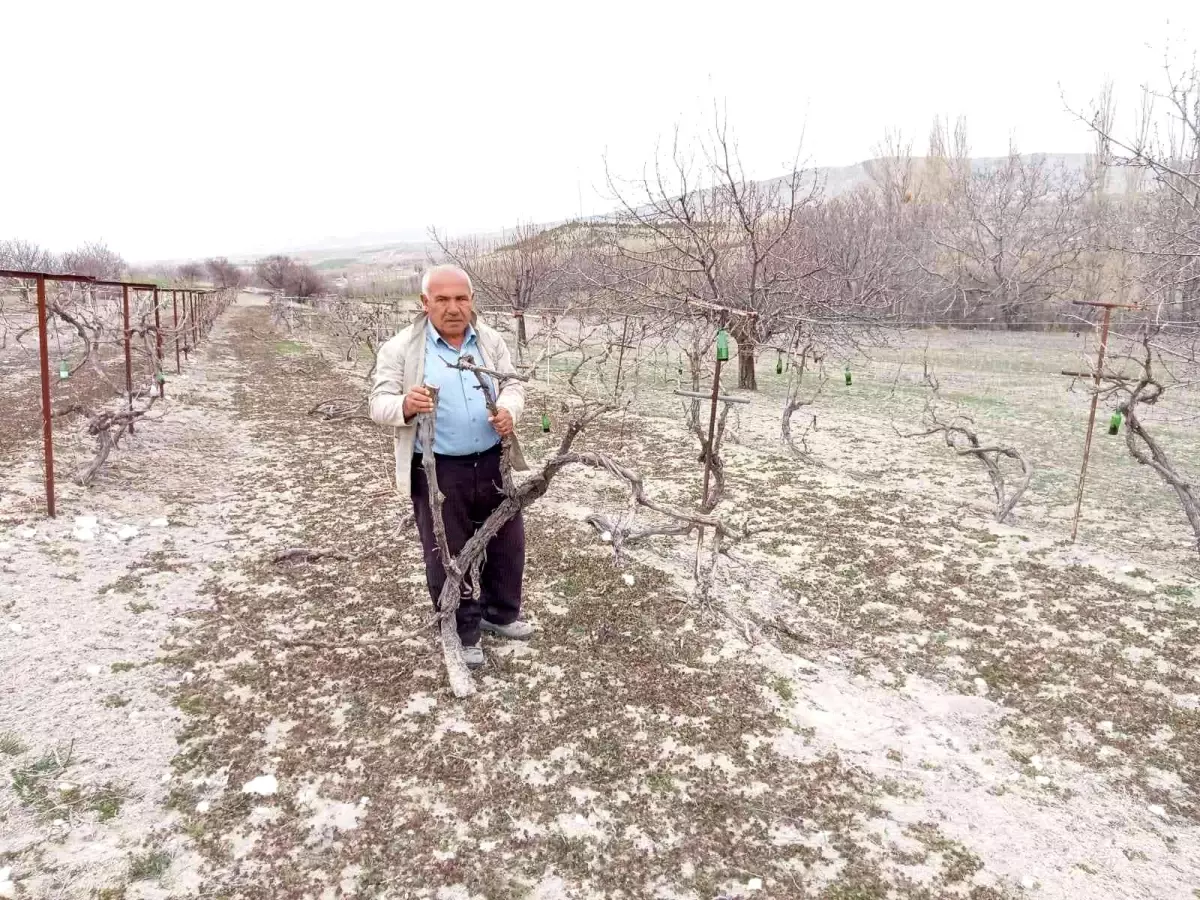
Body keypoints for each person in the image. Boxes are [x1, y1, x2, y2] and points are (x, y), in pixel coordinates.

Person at [369, 265, 532, 669]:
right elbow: (378, 403)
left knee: (506, 545)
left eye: (461, 298)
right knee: (448, 553)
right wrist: (405, 405)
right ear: (425, 303)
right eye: (441, 299)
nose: (453, 307)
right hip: (438, 470)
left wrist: (509, 410)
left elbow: (512, 383)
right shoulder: (402, 348)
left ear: (472, 300)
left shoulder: (489, 340)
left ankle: (500, 614)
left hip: (495, 462)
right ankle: (463, 632)